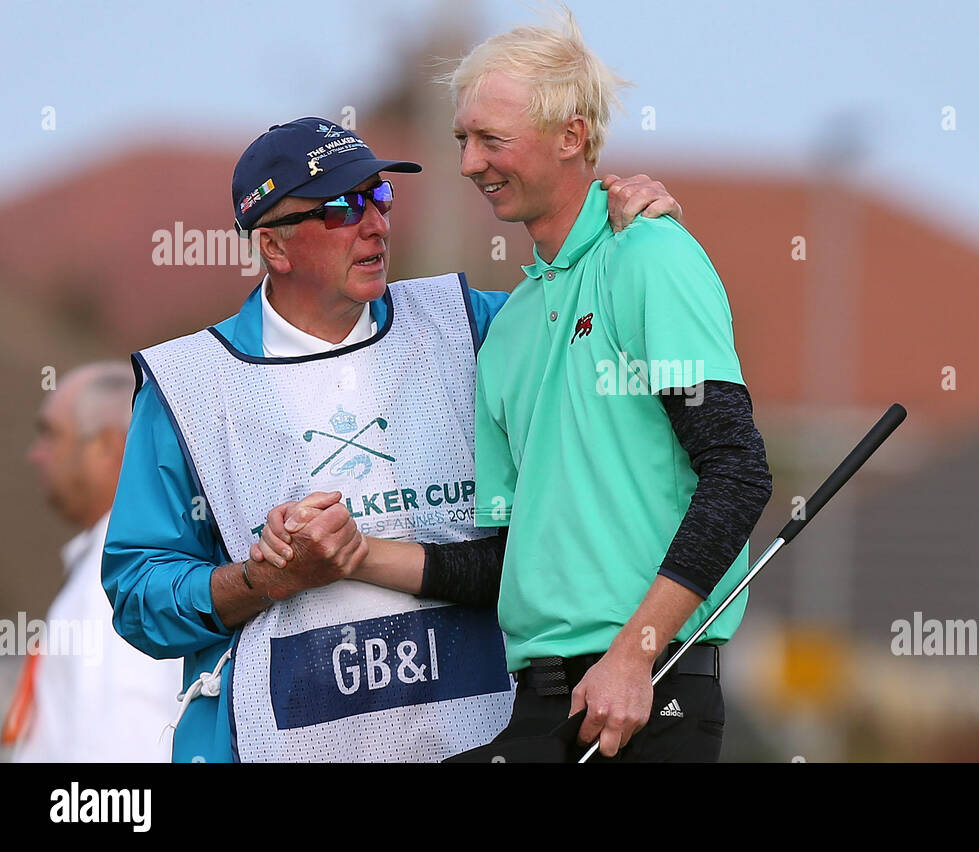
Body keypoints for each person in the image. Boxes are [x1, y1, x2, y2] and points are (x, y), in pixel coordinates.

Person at [102, 117, 680, 762]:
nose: (376, 223)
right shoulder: (186, 383)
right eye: (342, 208)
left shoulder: (473, 323)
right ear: (273, 247)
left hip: (482, 738)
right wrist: (265, 579)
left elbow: (599, 330)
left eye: (380, 197)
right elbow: (138, 595)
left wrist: (627, 234)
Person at [451, 11, 773, 761]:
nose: (469, 163)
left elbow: (736, 470)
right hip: (541, 697)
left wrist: (636, 652)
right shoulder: (511, 326)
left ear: (571, 136)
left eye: (491, 139)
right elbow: (504, 556)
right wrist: (345, 557)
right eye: (462, 140)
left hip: (646, 692)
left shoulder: (651, 257)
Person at [10, 363, 182, 762]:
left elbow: (119, 747)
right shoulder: (128, 564)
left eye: (51, 435)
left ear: (109, 446)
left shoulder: (116, 581)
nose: (36, 455)